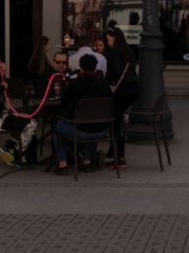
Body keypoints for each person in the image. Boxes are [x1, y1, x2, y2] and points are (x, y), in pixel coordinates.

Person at [53, 51, 114, 173]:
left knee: (59, 125)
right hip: (101, 130)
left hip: (80, 130)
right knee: (89, 122)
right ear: (96, 67)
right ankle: (87, 161)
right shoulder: (104, 85)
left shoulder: (75, 84)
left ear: (81, 67)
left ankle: (62, 163)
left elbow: (63, 103)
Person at [104, 24, 132, 167]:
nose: (108, 43)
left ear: (114, 39)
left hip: (122, 90)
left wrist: (108, 81)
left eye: (109, 40)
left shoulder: (115, 51)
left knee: (114, 123)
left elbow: (115, 70)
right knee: (117, 120)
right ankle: (113, 152)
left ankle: (120, 157)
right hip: (132, 89)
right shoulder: (127, 50)